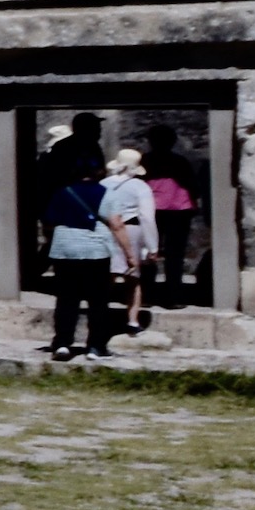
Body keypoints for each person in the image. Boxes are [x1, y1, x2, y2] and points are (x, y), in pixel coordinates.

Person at [40, 153, 131, 360]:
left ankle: (62, 343)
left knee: (66, 299)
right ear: (99, 172)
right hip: (96, 251)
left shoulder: (62, 193)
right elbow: (117, 225)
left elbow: (49, 222)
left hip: (65, 251)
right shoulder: (107, 194)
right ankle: (95, 346)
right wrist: (129, 255)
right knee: (98, 300)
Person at [103, 148, 159, 336]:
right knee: (133, 278)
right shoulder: (140, 187)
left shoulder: (103, 184)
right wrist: (153, 246)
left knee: (106, 276)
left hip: (105, 229)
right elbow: (147, 217)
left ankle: (100, 316)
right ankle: (132, 321)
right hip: (131, 229)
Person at [142, 127, 201, 297]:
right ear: (173, 141)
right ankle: (173, 294)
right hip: (179, 210)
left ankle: (146, 293)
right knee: (175, 252)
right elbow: (192, 186)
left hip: (151, 210)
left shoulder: (145, 161)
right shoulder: (180, 161)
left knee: (149, 251)